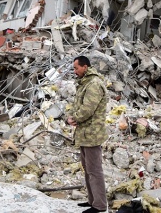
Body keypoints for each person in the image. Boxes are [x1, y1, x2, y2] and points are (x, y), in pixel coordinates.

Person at [67, 56, 108, 213]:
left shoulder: (94, 84)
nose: (75, 71)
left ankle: (100, 205)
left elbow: (87, 109)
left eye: (76, 68)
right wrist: (69, 117)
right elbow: (77, 104)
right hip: (84, 134)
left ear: (85, 67)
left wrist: (75, 118)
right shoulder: (85, 83)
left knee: (94, 170)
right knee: (87, 168)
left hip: (92, 134)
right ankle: (92, 201)